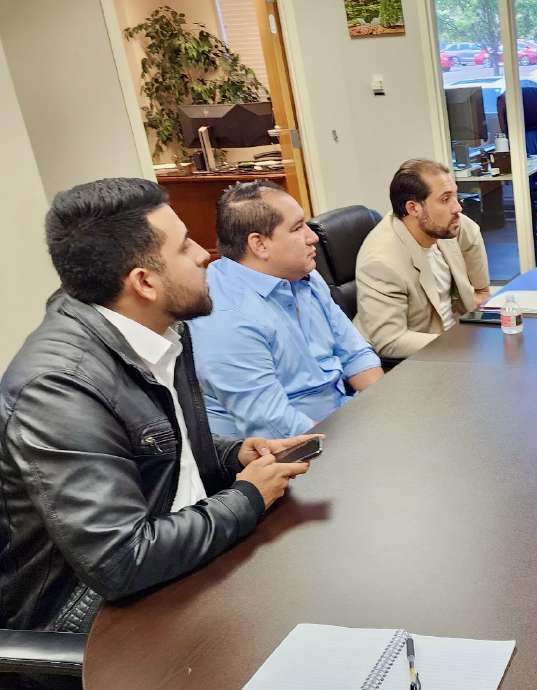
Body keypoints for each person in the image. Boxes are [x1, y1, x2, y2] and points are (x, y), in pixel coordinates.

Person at [0, 178, 313, 635]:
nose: (204, 254)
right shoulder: (58, 388)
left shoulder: (161, 328)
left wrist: (234, 454)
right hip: (103, 620)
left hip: (187, 562)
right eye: (184, 247)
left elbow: (157, 449)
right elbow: (120, 561)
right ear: (144, 282)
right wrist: (248, 496)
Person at [190, 181, 383, 438]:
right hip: (291, 448)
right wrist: (357, 441)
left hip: (339, 422)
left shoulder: (302, 275)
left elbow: (355, 354)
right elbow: (273, 425)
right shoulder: (226, 317)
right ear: (260, 244)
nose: (313, 237)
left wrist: (384, 410)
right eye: (297, 227)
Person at [354, 159, 491, 359]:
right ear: (413, 208)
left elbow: (471, 235)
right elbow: (389, 341)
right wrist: (456, 345)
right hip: (420, 358)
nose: (457, 208)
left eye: (455, 196)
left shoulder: (442, 225)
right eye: (445, 199)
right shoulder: (381, 262)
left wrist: (481, 291)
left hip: (455, 339)